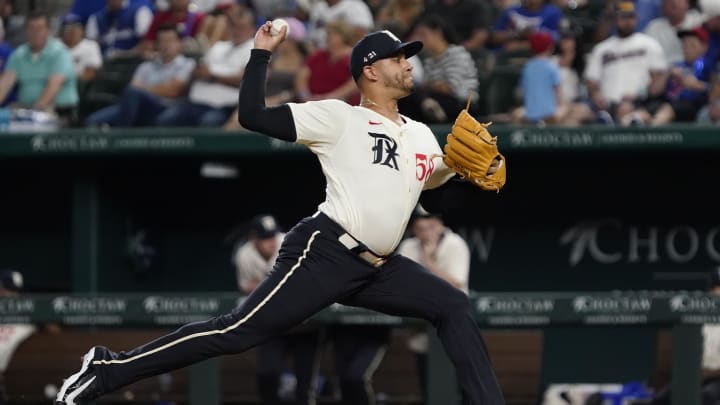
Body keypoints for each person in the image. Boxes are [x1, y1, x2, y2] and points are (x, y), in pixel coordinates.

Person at [54, 24, 505, 405]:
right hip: (326, 251)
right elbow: (252, 115)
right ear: (370, 70)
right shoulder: (339, 118)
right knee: (237, 331)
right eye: (397, 57)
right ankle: (108, 367)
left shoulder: (423, 135)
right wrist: (261, 54)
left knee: (452, 305)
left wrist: (466, 175)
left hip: (380, 268)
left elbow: (436, 202)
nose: (408, 63)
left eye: (408, 57)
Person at [232, 214, 322, 405]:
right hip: (274, 325)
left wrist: (265, 286)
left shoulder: (292, 243)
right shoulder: (244, 255)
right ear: (253, 238)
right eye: (265, 238)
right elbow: (246, 287)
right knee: (267, 374)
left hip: (305, 324)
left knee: (305, 384)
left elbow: (300, 284)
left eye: (272, 236)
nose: (271, 242)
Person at [397, 205, 471, 399]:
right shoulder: (408, 247)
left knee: (459, 384)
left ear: (439, 225)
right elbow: (402, 283)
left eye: (430, 227)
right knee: (428, 386)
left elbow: (456, 283)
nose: (426, 233)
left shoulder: (455, 243)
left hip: (453, 324)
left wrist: (428, 262)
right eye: (420, 229)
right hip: (422, 325)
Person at [0, 270, 37, 402]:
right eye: (8, 290)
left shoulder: (27, 313)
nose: (11, 294)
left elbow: (53, 328)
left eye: (15, 291)